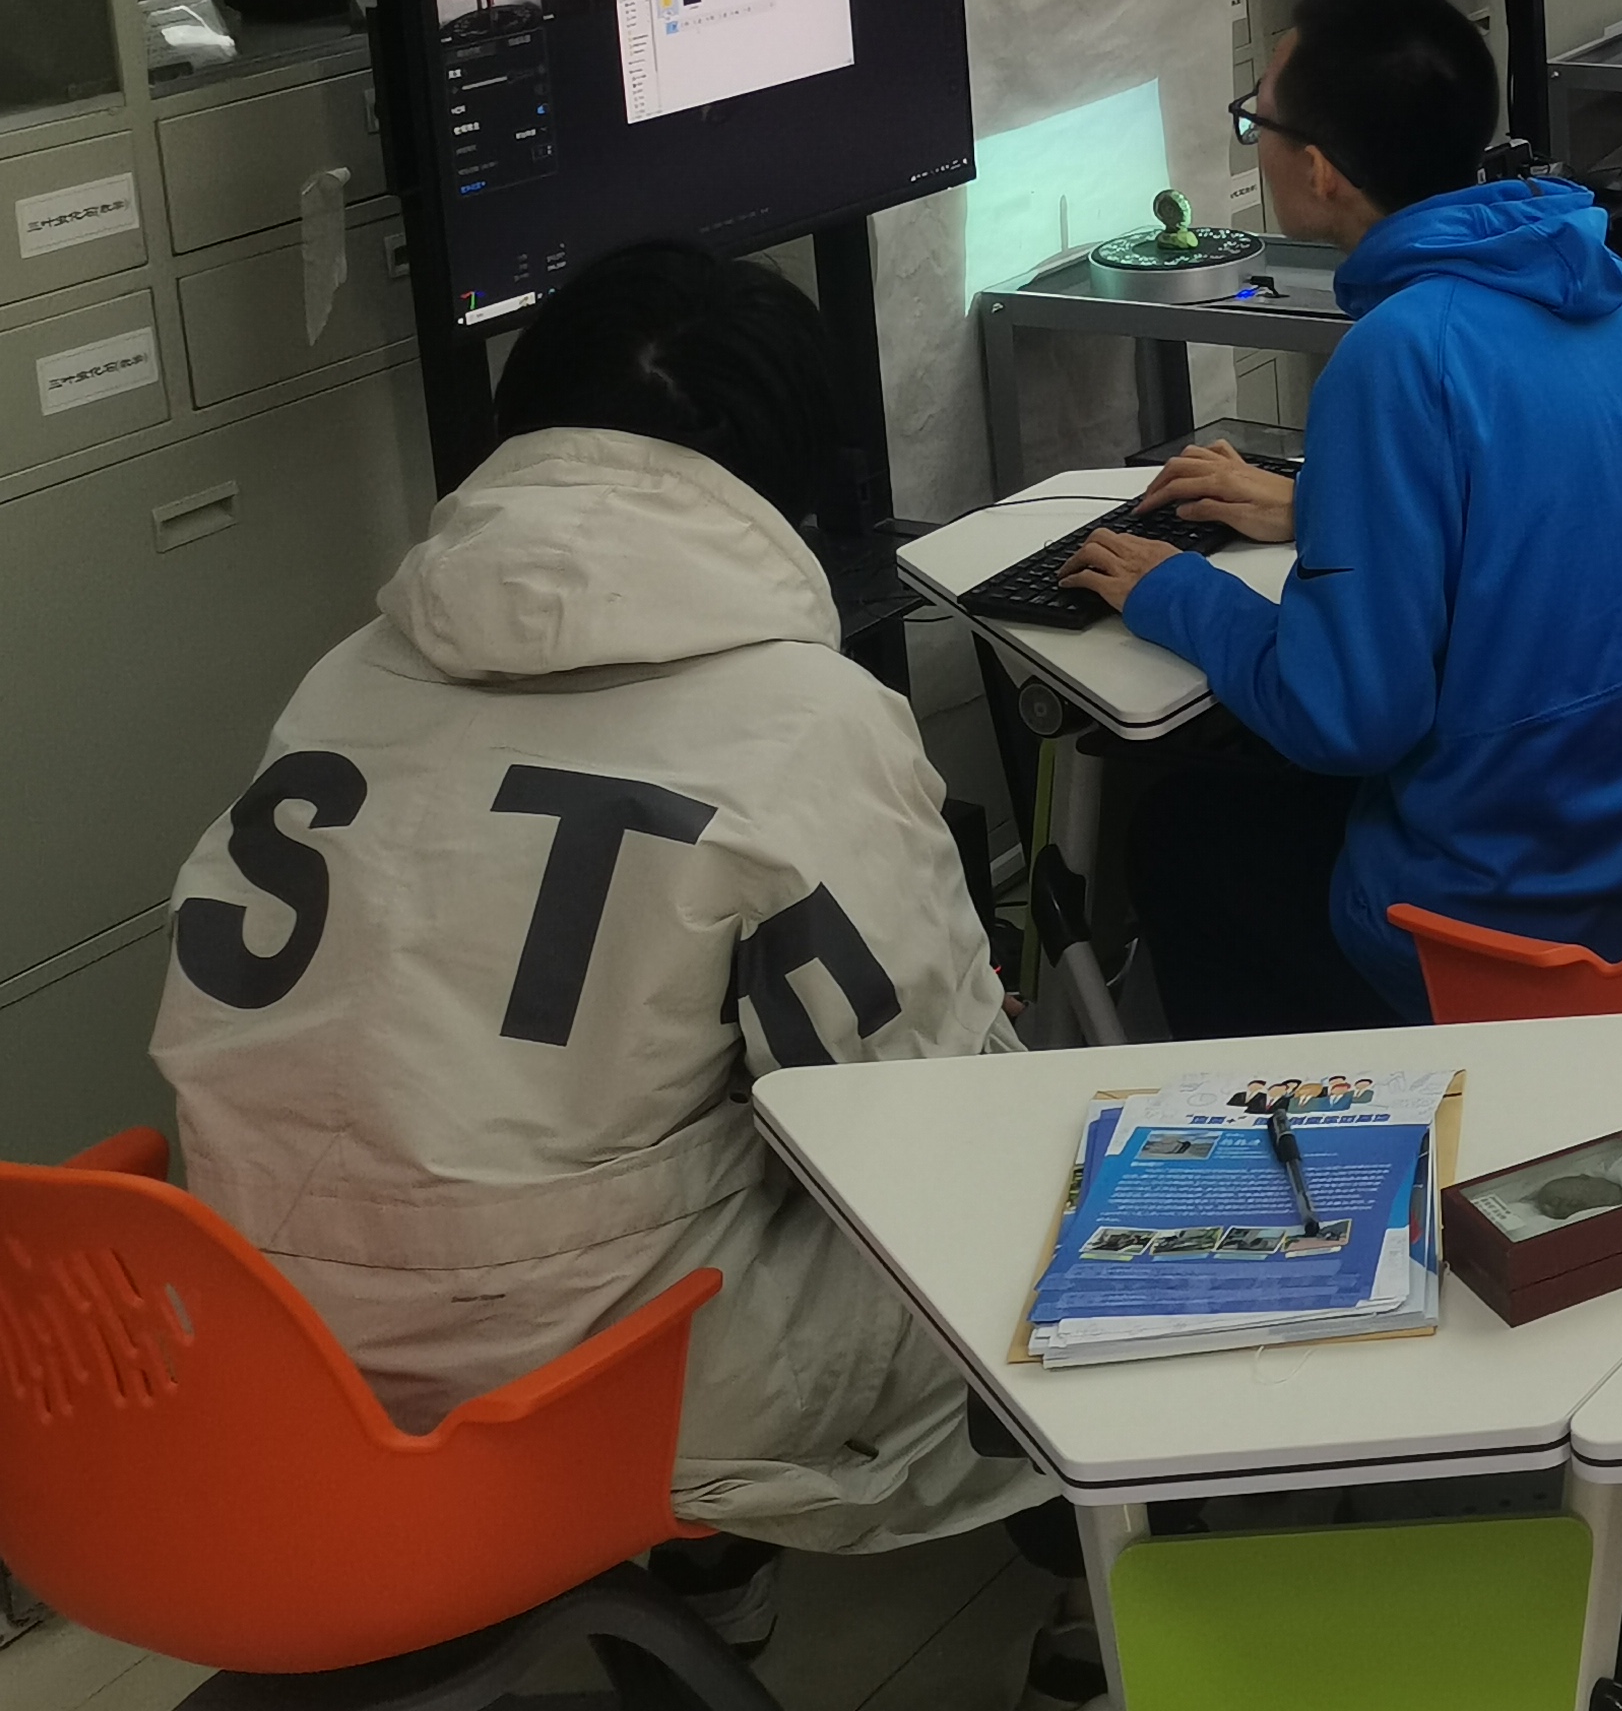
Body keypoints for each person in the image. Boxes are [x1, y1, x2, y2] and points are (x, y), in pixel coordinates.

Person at [149, 245, 1049, 1601]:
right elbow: (917, 1118)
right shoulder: (804, 720)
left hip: (272, 1358)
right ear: (795, 478)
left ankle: (707, 1595)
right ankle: (1092, 1594)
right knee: (1043, 1199)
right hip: (592, 1385)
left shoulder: (347, 674)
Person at [1076, 0, 1622, 1029]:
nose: (1252, 139)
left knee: (1182, 829)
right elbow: (1546, 516)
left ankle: (1324, 1123)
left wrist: (1179, 593)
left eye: (1256, 120)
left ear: (1318, 170)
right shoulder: (1607, 295)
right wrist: (1320, 506)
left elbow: (1348, 718)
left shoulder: (1397, 352)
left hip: (1500, 909)